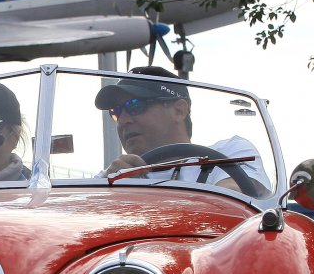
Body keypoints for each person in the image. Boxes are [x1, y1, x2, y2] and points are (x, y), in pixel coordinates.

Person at [94, 65, 266, 193]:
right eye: (116, 112)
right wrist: (108, 190)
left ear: (179, 111)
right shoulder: (108, 178)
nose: (123, 120)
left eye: (135, 106)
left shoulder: (229, 152)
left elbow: (228, 203)